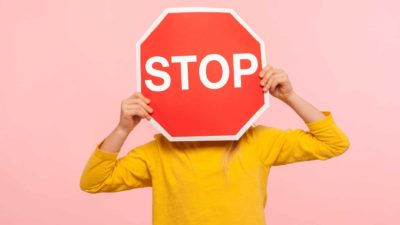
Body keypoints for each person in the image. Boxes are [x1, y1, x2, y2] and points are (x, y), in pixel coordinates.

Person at [79, 64, 350, 225]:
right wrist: (123, 129)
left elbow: (333, 143)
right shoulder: (160, 151)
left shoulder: (257, 142)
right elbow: (94, 181)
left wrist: (290, 96)